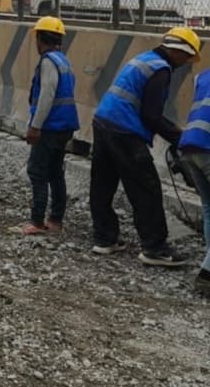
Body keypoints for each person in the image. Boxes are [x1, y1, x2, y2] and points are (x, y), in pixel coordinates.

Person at [89, 27, 200, 266]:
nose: (187, 63)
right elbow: (151, 116)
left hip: (103, 122)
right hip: (124, 131)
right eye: (188, 57)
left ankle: (104, 238)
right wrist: (180, 138)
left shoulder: (143, 59)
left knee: (102, 184)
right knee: (146, 188)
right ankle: (155, 248)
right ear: (179, 52)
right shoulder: (160, 70)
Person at [9, 16, 79, 235]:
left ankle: (37, 222)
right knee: (55, 172)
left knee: (37, 171)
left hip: (50, 126)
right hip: (65, 125)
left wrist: (35, 126)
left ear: (40, 38)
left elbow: (46, 96)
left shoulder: (48, 62)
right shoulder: (63, 60)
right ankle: (55, 220)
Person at [177, 61, 210, 294]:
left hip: (189, 147)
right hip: (208, 149)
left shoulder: (202, 76)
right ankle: (207, 275)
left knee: (208, 207)